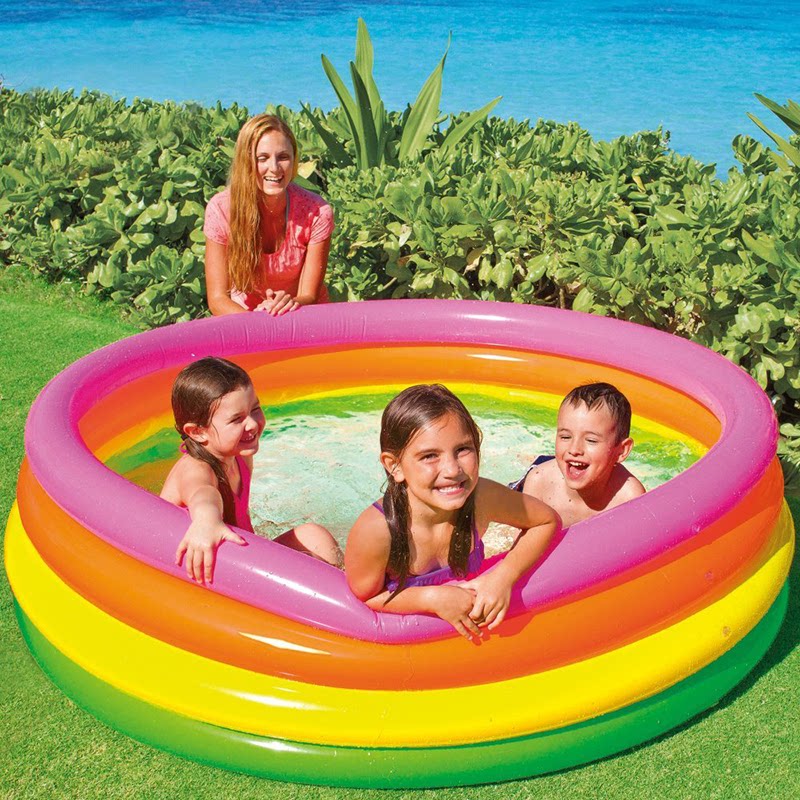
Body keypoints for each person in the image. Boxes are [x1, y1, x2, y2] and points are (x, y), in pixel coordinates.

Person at [345, 384, 559, 641]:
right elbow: (365, 597)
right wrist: (430, 598)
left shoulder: (482, 497)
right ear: (395, 466)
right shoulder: (378, 531)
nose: (452, 469)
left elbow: (546, 521)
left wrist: (503, 577)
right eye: (429, 456)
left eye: (463, 449)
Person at [160, 357, 341, 584]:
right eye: (237, 419)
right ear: (198, 432)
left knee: (314, 537)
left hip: (242, 561)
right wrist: (206, 520)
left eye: (254, 409)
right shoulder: (195, 468)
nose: (253, 424)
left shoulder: (240, 456)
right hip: (203, 573)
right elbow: (203, 493)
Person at [203, 114, 334, 316]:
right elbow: (217, 299)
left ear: (294, 160)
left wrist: (288, 303)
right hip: (242, 316)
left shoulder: (316, 211)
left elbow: (309, 295)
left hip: (300, 313)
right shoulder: (220, 210)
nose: (274, 168)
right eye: (262, 158)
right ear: (246, 161)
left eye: (283, 157)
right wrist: (257, 324)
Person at [512, 382, 645, 527]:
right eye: (565, 437)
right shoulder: (539, 481)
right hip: (548, 469)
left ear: (621, 451)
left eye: (591, 440)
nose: (574, 449)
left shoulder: (630, 497)